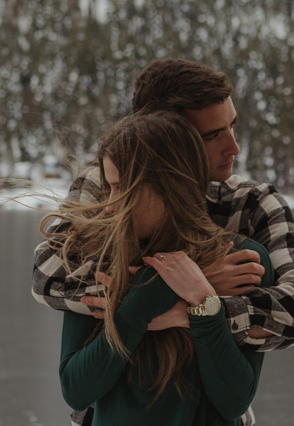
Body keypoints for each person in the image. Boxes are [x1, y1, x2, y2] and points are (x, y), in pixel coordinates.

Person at [33, 58, 294, 426]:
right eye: (213, 135)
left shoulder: (251, 205)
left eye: (232, 127)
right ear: (167, 134)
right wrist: (186, 283)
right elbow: (47, 276)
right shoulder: (109, 188)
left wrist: (195, 308)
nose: (234, 147)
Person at [42, 112, 275, 425]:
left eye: (122, 187)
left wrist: (205, 303)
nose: (110, 206)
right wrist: (146, 298)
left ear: (170, 183)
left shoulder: (243, 261)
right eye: (109, 187)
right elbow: (77, 389)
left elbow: (234, 400)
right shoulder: (97, 258)